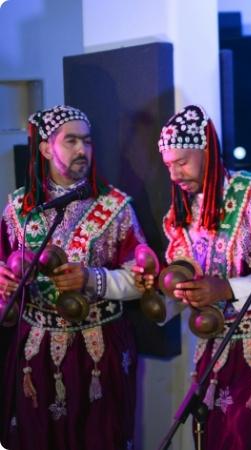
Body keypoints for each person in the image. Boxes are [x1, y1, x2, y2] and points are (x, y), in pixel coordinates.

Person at [133, 104, 251, 450]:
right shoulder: (181, 214)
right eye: (168, 166)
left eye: (182, 162)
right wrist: (167, 292)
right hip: (213, 349)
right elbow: (188, 284)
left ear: (207, 150)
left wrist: (226, 288)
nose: (175, 174)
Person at [0, 105, 146, 449]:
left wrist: (93, 280)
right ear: (47, 148)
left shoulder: (115, 206)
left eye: (88, 141)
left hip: (97, 351)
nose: (83, 150)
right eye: (72, 141)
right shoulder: (18, 209)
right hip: (34, 353)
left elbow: (141, 281)